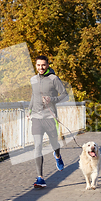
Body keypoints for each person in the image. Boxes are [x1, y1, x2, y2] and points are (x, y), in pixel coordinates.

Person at [28, 55, 68, 188]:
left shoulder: (53, 79)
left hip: (50, 118)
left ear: (47, 65)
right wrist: (29, 111)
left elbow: (64, 95)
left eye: (43, 65)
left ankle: (57, 155)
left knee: (54, 143)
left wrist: (52, 99)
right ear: (36, 65)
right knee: (38, 146)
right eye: (38, 65)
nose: (41, 67)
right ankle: (40, 178)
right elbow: (34, 96)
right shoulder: (33, 79)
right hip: (37, 118)